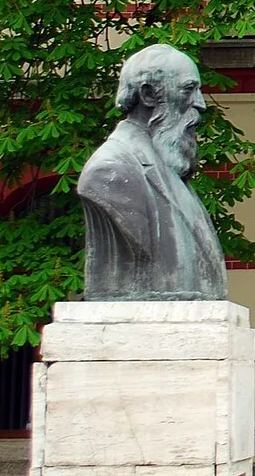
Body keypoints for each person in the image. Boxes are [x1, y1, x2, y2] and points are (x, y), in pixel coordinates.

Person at [76, 43, 229, 300]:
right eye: (188, 90)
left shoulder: (169, 171)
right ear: (147, 95)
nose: (200, 104)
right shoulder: (110, 172)